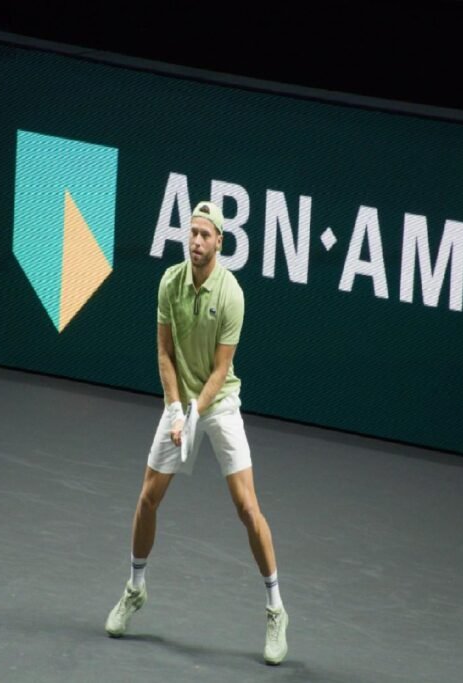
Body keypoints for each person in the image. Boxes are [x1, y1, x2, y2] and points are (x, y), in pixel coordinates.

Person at [104, 200, 289, 665]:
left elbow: (221, 369)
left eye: (205, 235)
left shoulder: (232, 295)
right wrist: (174, 409)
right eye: (192, 233)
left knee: (248, 507)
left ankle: (275, 609)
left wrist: (192, 412)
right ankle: (135, 588)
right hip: (178, 402)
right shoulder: (169, 282)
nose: (196, 242)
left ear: (219, 242)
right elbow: (164, 354)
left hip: (219, 401)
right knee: (148, 497)